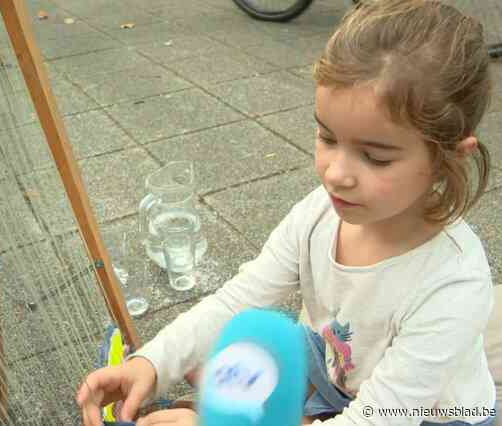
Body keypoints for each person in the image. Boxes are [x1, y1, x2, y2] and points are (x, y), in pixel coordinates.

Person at [77, 0, 498, 424]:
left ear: (451, 158)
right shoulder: (319, 213)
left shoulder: (453, 283)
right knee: (259, 340)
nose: (335, 174)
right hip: (337, 374)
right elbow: (239, 299)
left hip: (426, 413)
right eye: (327, 137)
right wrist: (151, 364)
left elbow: (379, 416)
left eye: (376, 157)